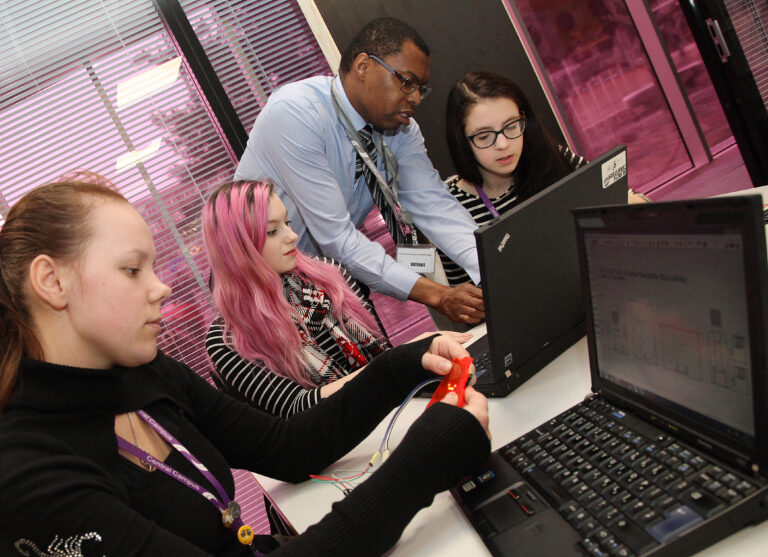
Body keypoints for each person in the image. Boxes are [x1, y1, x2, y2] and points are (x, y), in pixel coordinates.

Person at [0, 177, 491, 557]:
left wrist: (403, 365)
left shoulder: (142, 376)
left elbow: (288, 448)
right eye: (132, 270)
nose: (160, 287)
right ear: (52, 282)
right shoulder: (22, 479)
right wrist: (424, 461)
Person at [235, 17, 486, 330]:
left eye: (421, 89)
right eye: (407, 82)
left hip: (328, 278)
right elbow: (337, 237)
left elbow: (435, 206)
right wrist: (438, 295)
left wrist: (493, 271)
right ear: (364, 66)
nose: (416, 98)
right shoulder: (296, 113)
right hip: (261, 291)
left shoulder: (402, 131)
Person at [203, 179, 390, 418]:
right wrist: (389, 368)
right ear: (237, 247)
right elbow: (297, 408)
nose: (292, 235)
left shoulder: (330, 277)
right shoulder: (228, 339)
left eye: (287, 223)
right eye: (272, 231)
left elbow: (383, 351)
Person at [444, 71, 648, 223]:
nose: (503, 144)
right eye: (484, 136)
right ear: (462, 140)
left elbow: (634, 199)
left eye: (511, 126)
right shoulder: (452, 206)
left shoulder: (550, 158)